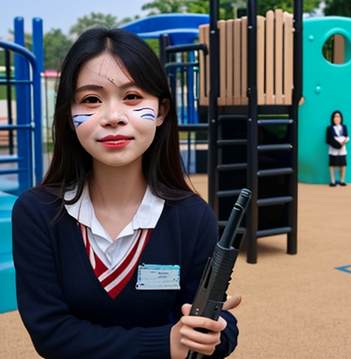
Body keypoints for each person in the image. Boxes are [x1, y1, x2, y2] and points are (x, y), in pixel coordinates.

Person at [12, 28, 239, 359]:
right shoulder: (37, 212)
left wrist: (219, 332)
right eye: (91, 99)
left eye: (132, 97)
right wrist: (165, 343)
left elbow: (203, 320)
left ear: (161, 111)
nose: (113, 117)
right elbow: (51, 334)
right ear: (68, 116)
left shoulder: (192, 216)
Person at [325, 110, 350, 186]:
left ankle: (342, 180)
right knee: (332, 165)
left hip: (342, 150)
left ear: (341, 118)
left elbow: (347, 137)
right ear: (332, 118)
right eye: (335, 116)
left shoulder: (344, 127)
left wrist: (343, 142)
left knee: (343, 164)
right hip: (333, 150)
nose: (337, 118)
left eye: (338, 116)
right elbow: (328, 140)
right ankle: (332, 181)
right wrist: (337, 144)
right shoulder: (329, 128)